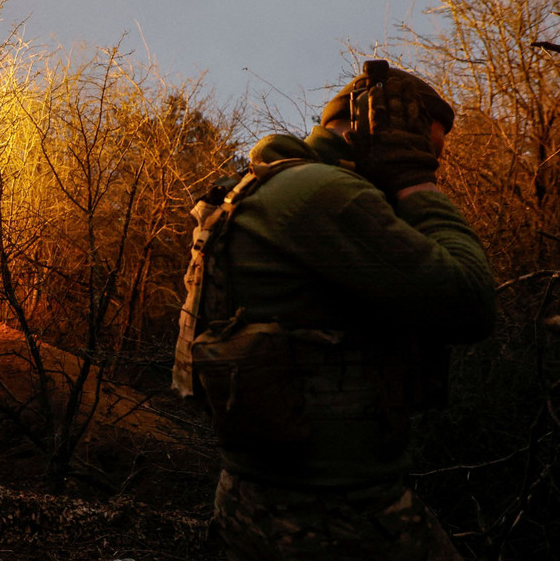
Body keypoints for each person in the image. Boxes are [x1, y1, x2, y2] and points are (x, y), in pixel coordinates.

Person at [174, 61, 496, 560]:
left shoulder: (265, 187)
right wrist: (416, 181)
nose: (433, 166)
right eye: (427, 149)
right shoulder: (325, 194)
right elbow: (470, 301)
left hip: (256, 496)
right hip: (334, 512)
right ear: (382, 130)